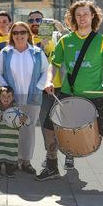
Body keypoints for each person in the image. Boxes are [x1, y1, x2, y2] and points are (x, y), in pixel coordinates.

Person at [38, 0, 103, 193]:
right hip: (68, 95)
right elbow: (54, 64)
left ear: (93, 16)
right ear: (73, 18)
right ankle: (52, 165)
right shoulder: (65, 41)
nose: (82, 18)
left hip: (95, 97)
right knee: (48, 129)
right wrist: (49, 80)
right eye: (78, 15)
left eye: (86, 14)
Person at [0, 22, 49, 175]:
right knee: (13, 128)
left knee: (28, 129)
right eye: (15, 32)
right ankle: (13, 160)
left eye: (22, 32)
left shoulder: (37, 52)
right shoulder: (5, 52)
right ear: (12, 35)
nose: (19, 35)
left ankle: (26, 161)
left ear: (28, 34)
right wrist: (6, 88)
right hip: (12, 98)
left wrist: (39, 87)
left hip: (33, 97)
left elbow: (46, 71)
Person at [28, 10, 74, 170]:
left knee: (65, 123)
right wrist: (41, 46)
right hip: (42, 89)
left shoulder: (56, 36)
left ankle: (70, 154)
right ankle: (50, 156)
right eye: (32, 19)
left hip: (62, 87)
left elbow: (71, 40)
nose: (36, 22)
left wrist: (60, 27)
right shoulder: (27, 39)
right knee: (46, 125)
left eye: (39, 19)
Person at [0, 86, 30, 178]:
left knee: (10, 155)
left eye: (9, 96)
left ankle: (9, 170)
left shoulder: (17, 111)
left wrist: (25, 119)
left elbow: (27, 122)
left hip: (11, 140)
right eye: (3, 96)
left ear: (13, 98)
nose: (6, 99)